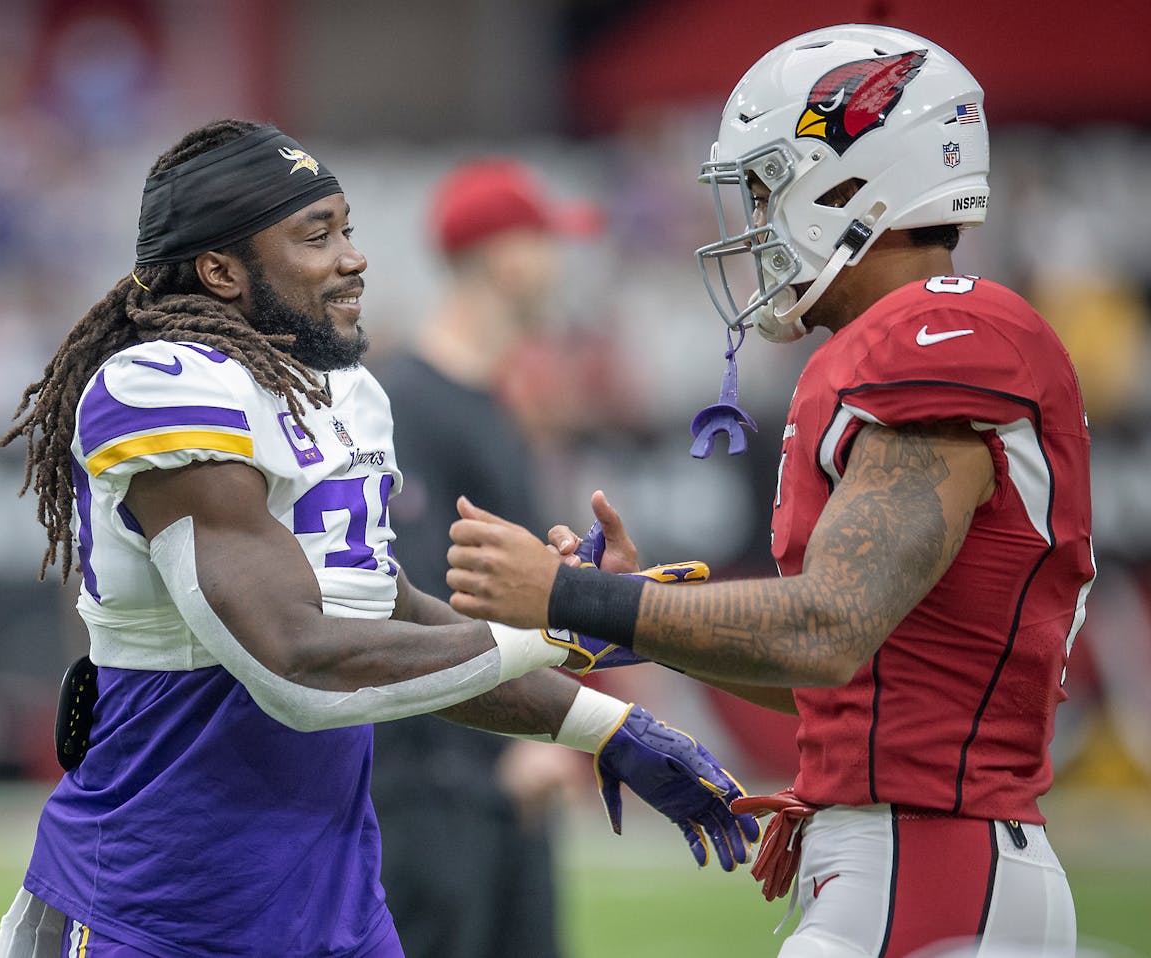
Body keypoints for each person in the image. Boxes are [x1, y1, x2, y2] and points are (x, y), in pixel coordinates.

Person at [0, 118, 757, 958]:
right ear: (220, 271)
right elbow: (297, 665)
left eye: (348, 228)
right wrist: (553, 631)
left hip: (339, 907)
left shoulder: (347, 395)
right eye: (316, 236)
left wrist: (598, 720)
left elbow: (386, 624)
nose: (353, 256)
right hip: (160, 908)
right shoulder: (159, 385)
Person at [446, 24, 1092, 958]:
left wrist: (571, 597)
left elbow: (826, 630)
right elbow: (843, 678)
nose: (752, 225)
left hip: (928, 867)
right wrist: (629, 614)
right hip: (921, 862)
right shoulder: (889, 346)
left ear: (852, 185)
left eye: (766, 188)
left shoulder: (936, 340)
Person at [368, 158, 600, 958]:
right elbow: (411, 598)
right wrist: (504, 749)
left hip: (496, 781)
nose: (559, 265)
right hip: (435, 791)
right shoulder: (405, 402)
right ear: (506, 257)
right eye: (546, 242)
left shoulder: (490, 402)